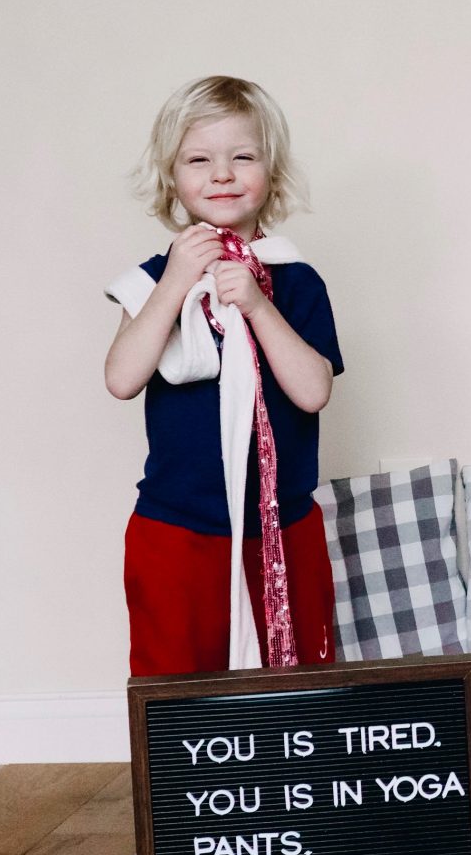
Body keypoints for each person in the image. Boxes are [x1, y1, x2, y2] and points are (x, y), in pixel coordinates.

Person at [104, 75, 343, 680]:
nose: (222, 175)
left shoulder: (295, 279)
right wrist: (175, 283)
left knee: (292, 685)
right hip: (177, 527)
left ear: (272, 173)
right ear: (171, 177)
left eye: (243, 157)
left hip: (282, 526)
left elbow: (313, 391)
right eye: (199, 160)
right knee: (175, 688)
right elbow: (122, 378)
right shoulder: (153, 280)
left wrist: (258, 307)